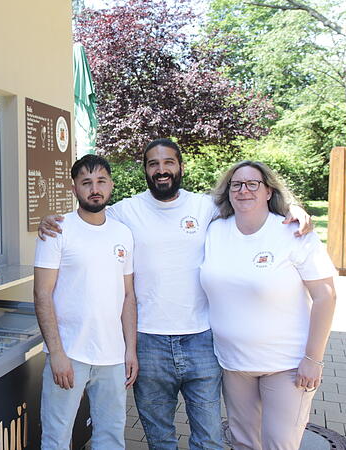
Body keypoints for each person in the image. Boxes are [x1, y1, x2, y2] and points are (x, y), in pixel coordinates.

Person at [38, 138, 312, 449]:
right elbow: (89, 215)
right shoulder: (125, 212)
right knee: (160, 439)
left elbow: (249, 201)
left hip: (201, 340)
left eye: (168, 162)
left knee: (209, 438)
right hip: (148, 341)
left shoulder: (205, 206)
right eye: (153, 164)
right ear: (145, 170)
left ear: (180, 167)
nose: (161, 169)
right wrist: (51, 219)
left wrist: (292, 207)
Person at [199, 161, 336, 450]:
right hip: (233, 363)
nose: (243, 190)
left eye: (252, 184)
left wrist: (314, 359)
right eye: (236, 184)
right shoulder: (214, 230)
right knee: (243, 443)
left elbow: (326, 296)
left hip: (286, 366)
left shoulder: (293, 232)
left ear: (268, 191)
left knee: (279, 445)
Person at [34, 154, 138, 450]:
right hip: (70, 354)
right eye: (87, 182)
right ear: (74, 188)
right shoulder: (56, 230)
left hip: (113, 357)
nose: (95, 188)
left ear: (111, 185)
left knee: (111, 438)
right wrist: (56, 353)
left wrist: (130, 350)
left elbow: (128, 296)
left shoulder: (123, 233)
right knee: (56, 438)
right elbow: (42, 295)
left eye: (101, 181)